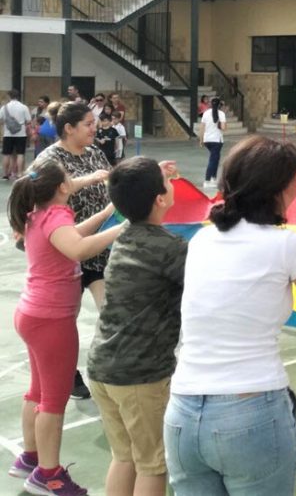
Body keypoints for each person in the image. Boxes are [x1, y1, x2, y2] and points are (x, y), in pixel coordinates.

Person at [164, 135, 296, 495]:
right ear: (277, 189)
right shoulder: (285, 244)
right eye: (295, 182)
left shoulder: (201, 241)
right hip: (249, 414)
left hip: (182, 416)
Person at [7, 160, 124, 495]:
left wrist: (104, 215)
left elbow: (69, 237)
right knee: (54, 401)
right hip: (52, 319)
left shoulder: (37, 214)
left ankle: (30, 457)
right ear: (62, 187)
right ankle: (49, 474)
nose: (73, 181)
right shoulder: (57, 215)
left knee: (37, 392)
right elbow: (78, 248)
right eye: (69, 178)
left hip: (32, 314)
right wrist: (121, 228)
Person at [87, 157, 185, 496]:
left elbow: (132, 190)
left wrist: (148, 176)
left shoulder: (126, 232)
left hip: (103, 367)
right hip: (140, 376)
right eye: (166, 183)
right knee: (153, 464)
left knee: (125, 457)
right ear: (160, 199)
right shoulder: (169, 248)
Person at [33, 101, 114, 399]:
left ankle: (107, 369)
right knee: (67, 320)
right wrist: (87, 180)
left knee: (111, 311)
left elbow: (113, 178)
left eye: (95, 123)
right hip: (68, 254)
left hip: (100, 251)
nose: (95, 128)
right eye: (88, 124)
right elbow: (42, 197)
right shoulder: (48, 160)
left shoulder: (94, 153)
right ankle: (68, 374)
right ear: (69, 128)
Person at [2, 89, 34, 180]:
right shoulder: (23, 107)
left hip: (8, 134)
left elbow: (0, 119)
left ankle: (5, 174)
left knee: (6, 154)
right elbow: (28, 120)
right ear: (18, 96)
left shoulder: (4, 108)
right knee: (20, 154)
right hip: (21, 134)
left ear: (9, 96)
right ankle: (19, 173)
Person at [199, 98, 226, 190]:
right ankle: (207, 180)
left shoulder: (206, 113)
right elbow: (223, 128)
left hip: (207, 140)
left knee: (215, 159)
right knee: (213, 160)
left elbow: (202, 127)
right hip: (217, 140)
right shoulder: (221, 114)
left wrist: (201, 139)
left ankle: (213, 179)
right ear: (219, 105)